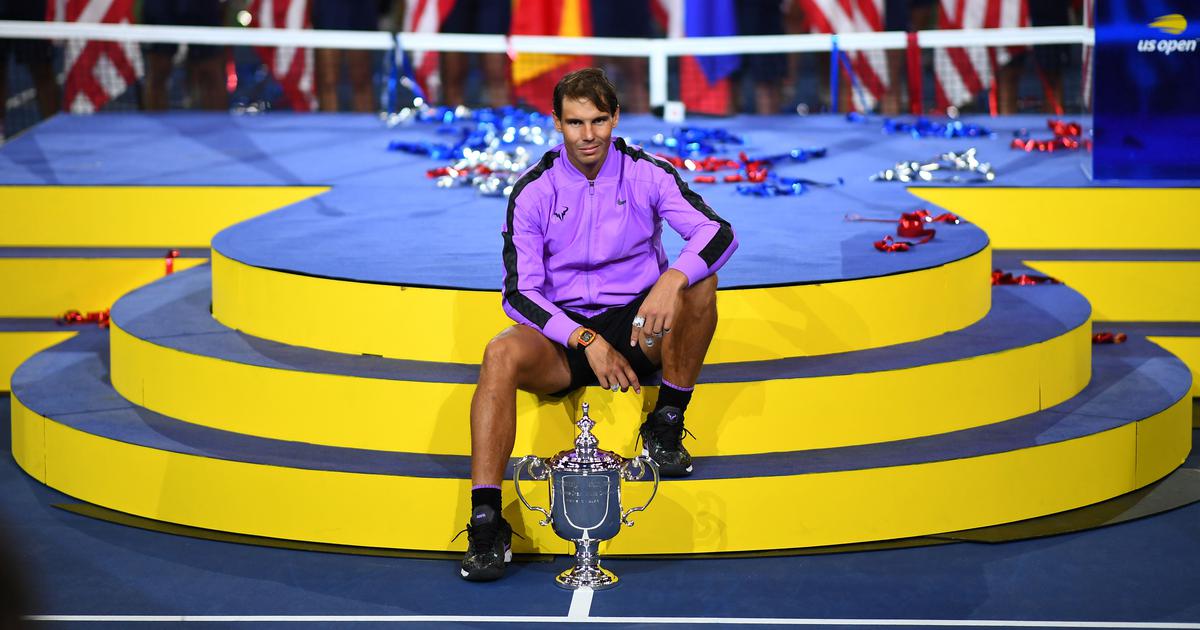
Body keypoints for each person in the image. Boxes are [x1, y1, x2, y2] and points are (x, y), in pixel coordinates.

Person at [459, 68, 737, 582]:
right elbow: (519, 294)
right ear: (557, 122)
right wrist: (583, 338)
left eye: (598, 121)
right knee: (499, 352)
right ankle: (487, 520)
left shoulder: (648, 172)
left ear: (615, 118)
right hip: (562, 336)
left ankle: (667, 422)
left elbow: (718, 233)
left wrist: (672, 278)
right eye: (575, 122)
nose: (588, 135)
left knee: (701, 284)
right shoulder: (533, 190)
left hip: (637, 326)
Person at [141, 0, 228, 111]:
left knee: (211, 73)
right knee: (158, 71)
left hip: (204, 6)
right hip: (162, 6)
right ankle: (155, 122)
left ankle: (217, 121)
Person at [311, 0, 379, 112]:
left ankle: (365, 121)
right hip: (329, 9)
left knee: (362, 79)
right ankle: (328, 121)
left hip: (359, 10)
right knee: (328, 80)